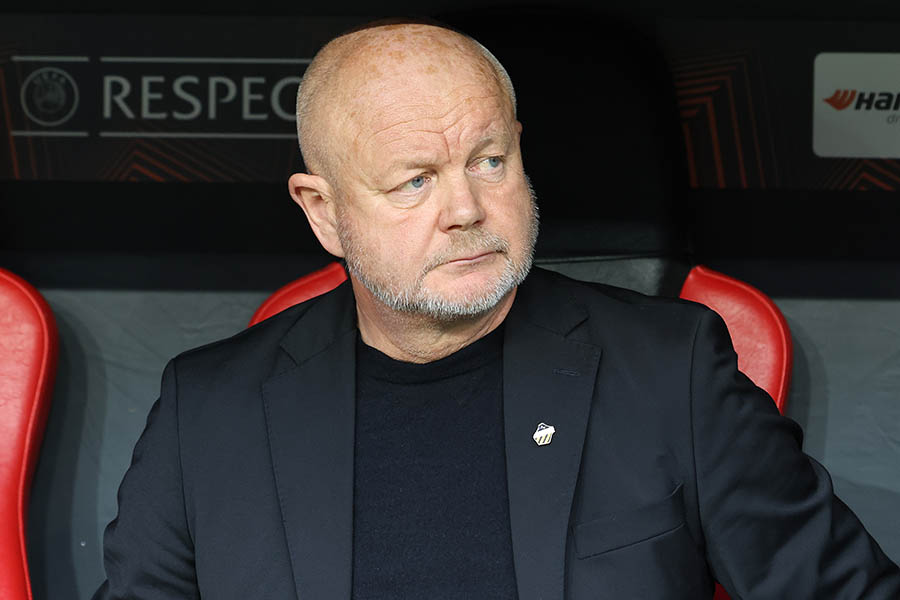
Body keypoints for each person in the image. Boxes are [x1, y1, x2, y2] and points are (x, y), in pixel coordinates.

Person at [93, 20, 900, 600]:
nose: (467, 210)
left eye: (489, 161)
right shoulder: (209, 411)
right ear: (324, 212)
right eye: (415, 180)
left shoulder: (671, 373)